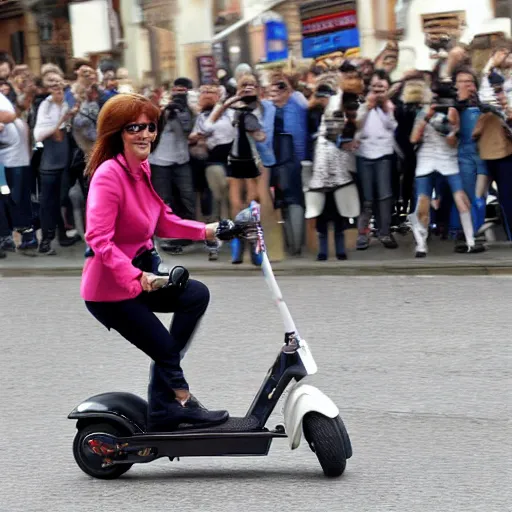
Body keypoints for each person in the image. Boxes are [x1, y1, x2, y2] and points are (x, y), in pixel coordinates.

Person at [81, 93, 241, 432]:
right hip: (110, 289)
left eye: (150, 127)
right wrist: (137, 276)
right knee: (166, 349)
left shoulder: (141, 168)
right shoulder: (109, 175)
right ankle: (177, 403)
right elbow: (98, 239)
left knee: (195, 295)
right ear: (116, 133)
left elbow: (162, 219)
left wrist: (209, 230)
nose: (145, 135)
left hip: (141, 276)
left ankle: (165, 405)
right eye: (134, 127)